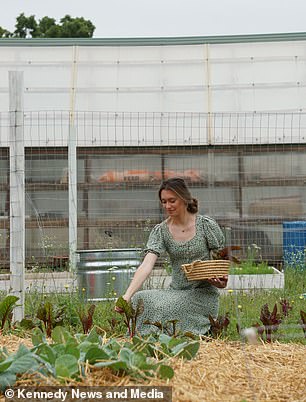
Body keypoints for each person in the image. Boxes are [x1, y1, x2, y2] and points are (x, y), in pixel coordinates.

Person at [116, 177, 227, 336]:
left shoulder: (206, 225)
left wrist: (220, 281)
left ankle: (160, 340)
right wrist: (127, 295)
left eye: (172, 201)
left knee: (164, 308)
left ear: (184, 199)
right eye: (163, 202)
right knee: (140, 299)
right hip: (175, 291)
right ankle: (142, 341)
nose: (167, 206)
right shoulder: (161, 231)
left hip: (202, 294)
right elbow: (147, 265)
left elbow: (220, 263)